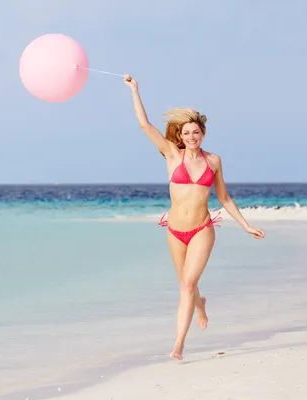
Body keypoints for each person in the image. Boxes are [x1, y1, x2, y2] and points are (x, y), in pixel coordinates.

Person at [123, 74, 265, 361]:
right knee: (187, 284)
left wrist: (246, 225)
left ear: (203, 133)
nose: (191, 137)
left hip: (202, 229)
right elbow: (144, 125)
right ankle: (200, 304)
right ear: (180, 135)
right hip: (174, 230)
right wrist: (135, 90)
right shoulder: (171, 155)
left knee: (187, 285)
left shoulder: (214, 161)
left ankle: (178, 344)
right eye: (186, 133)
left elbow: (223, 198)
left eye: (196, 133)